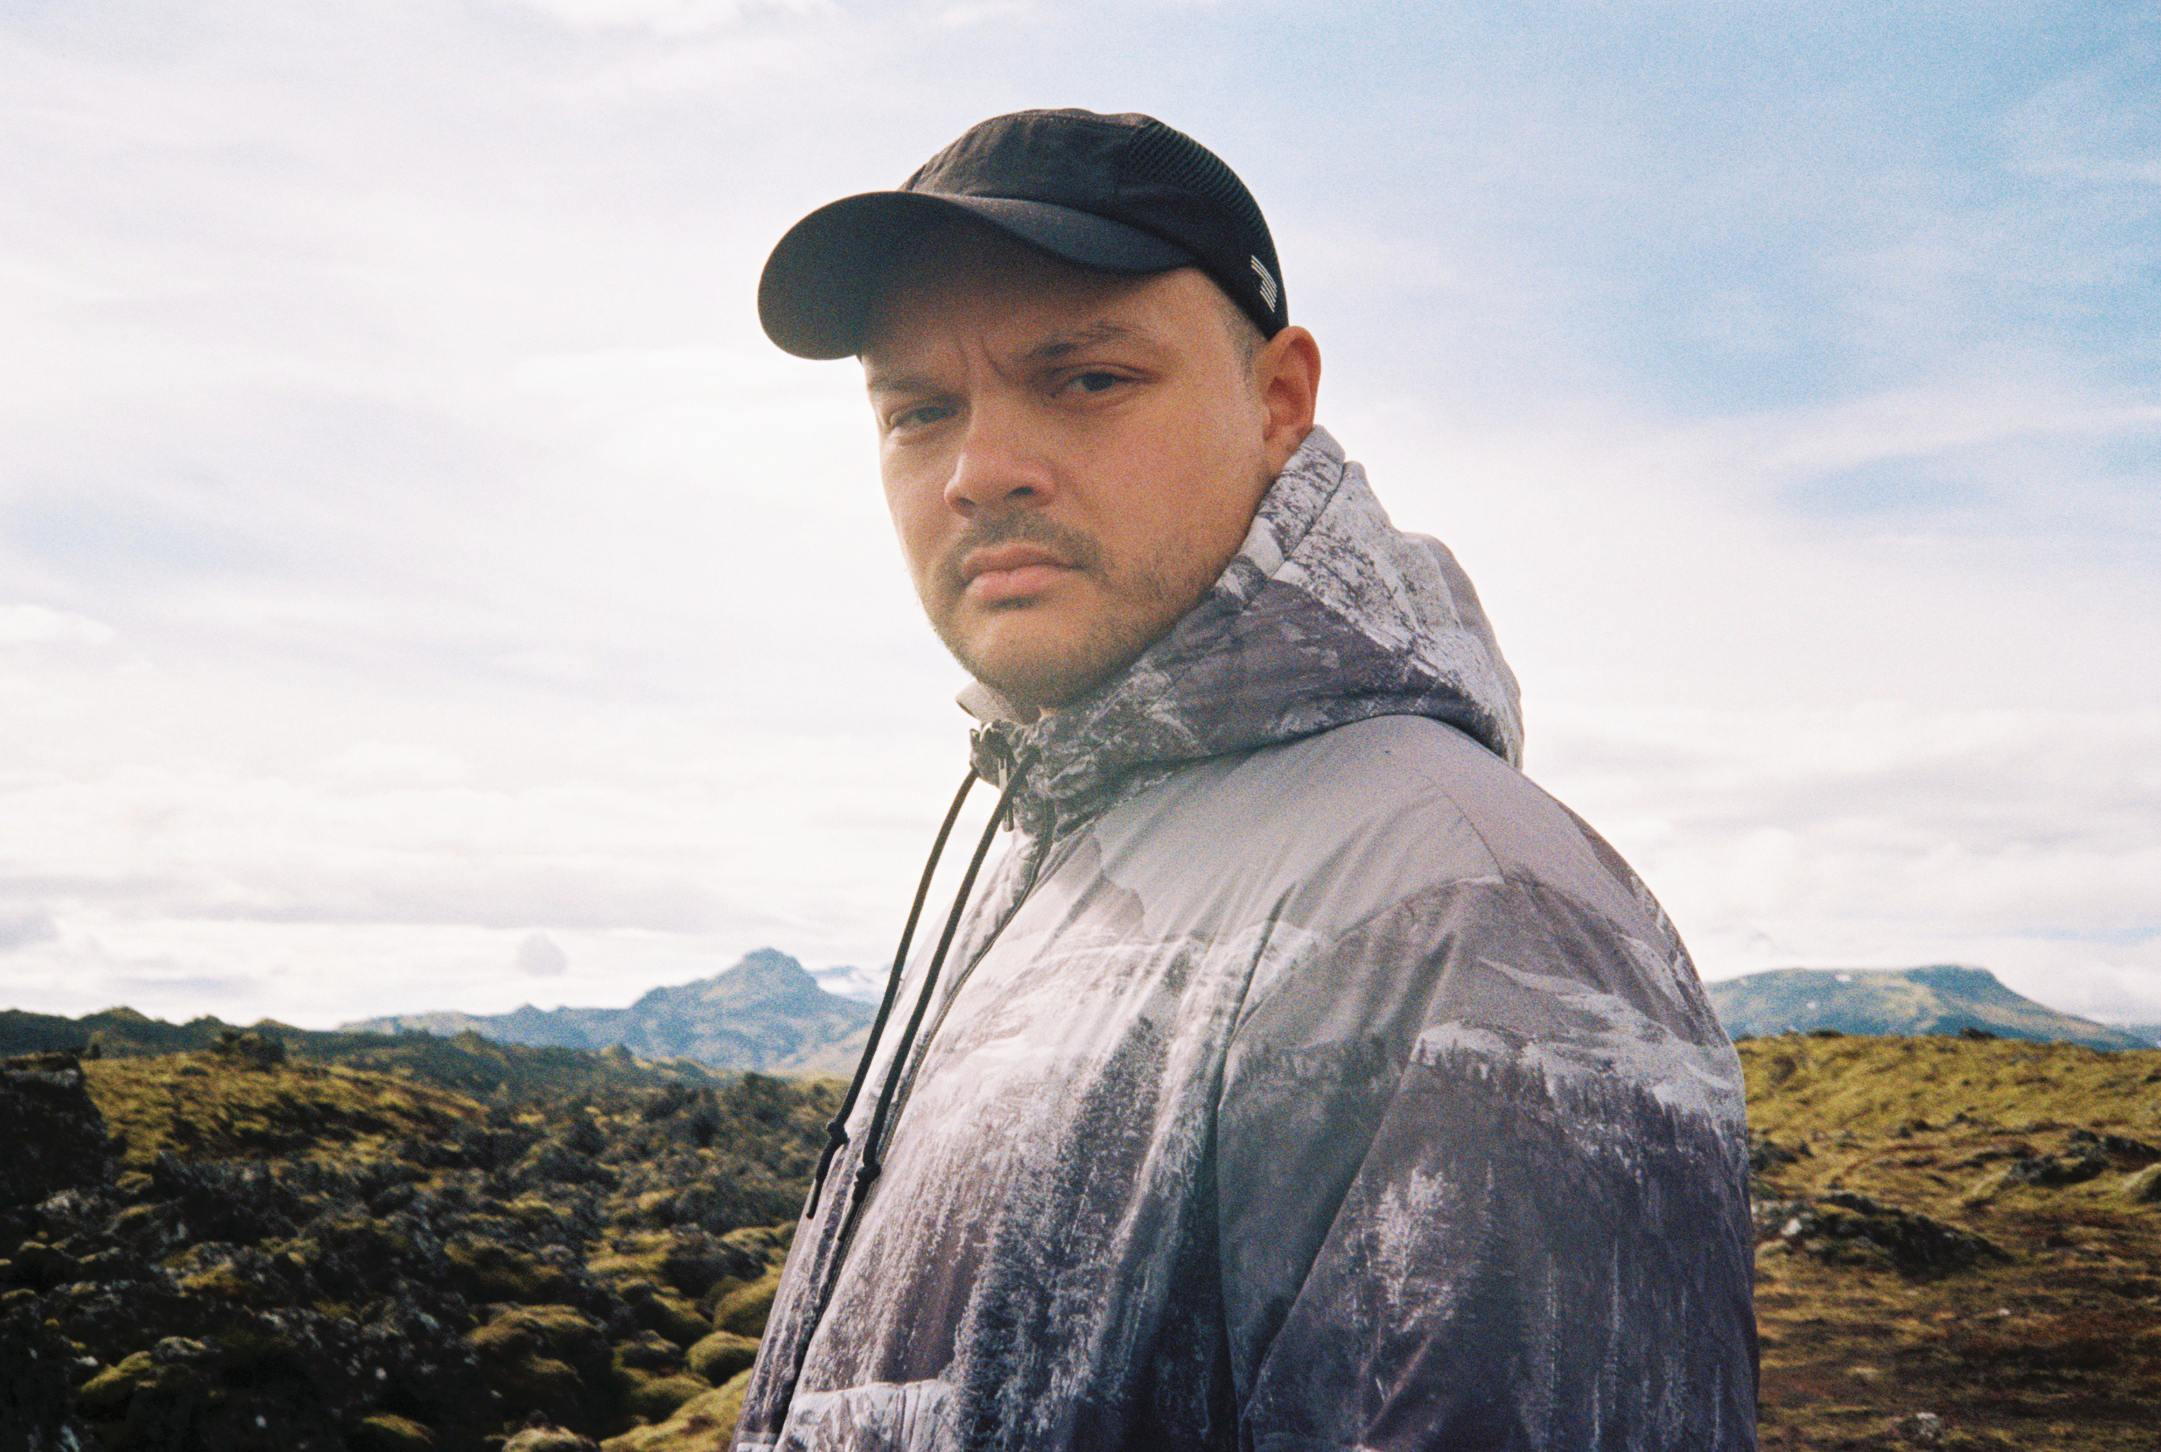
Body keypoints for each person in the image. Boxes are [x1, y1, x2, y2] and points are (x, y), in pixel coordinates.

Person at [734, 108, 1757, 1451]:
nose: (979, 472)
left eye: (1088, 379)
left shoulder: (1454, 919)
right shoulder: (1066, 834)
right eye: (919, 411)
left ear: (1278, 404)